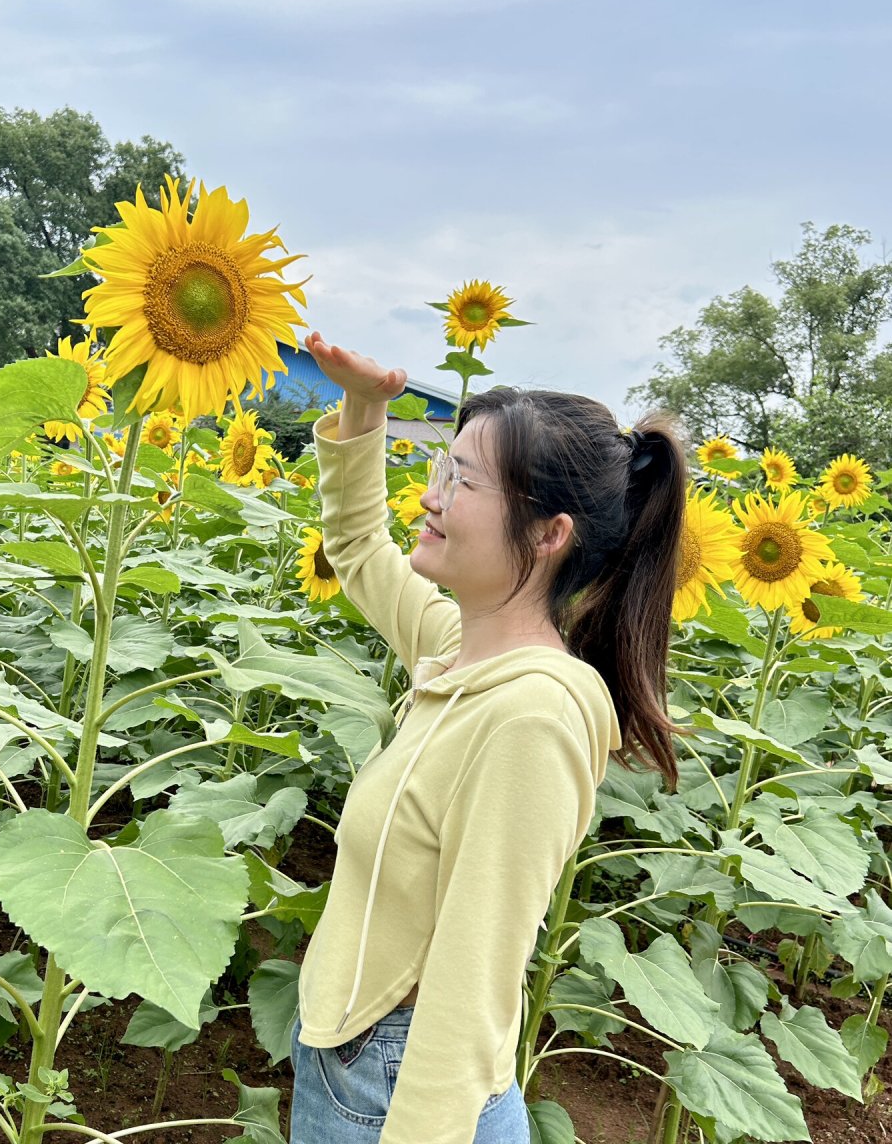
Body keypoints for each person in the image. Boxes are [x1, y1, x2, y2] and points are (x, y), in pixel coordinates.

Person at [289, 331, 687, 1143]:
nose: (431, 497)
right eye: (442, 470)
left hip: (403, 1090)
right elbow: (361, 548)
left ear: (549, 534)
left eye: (462, 479)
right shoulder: (461, 647)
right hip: (348, 1061)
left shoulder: (531, 718)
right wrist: (367, 406)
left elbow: (472, 988)